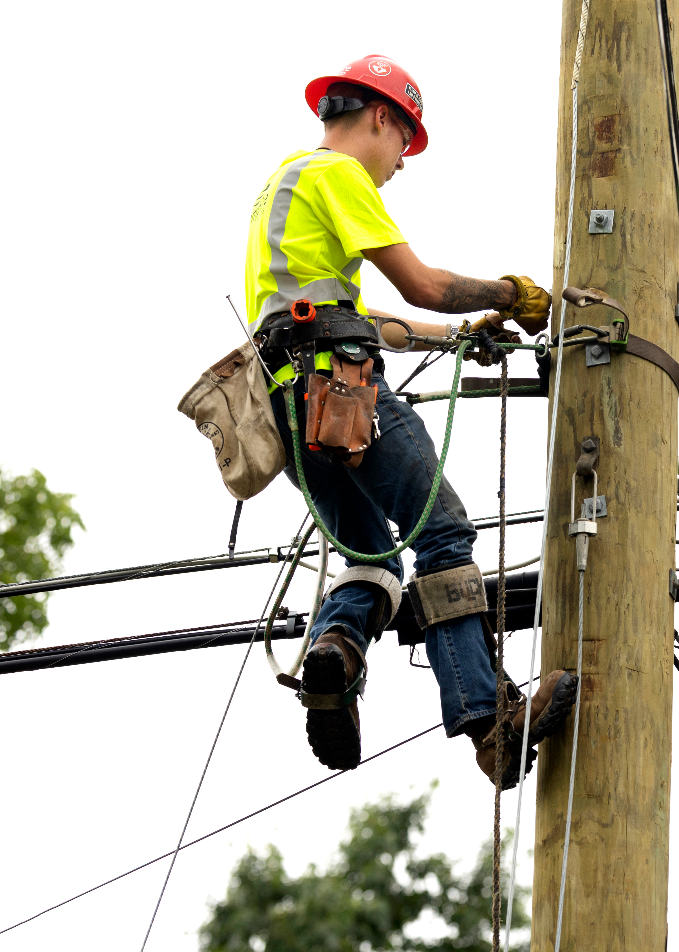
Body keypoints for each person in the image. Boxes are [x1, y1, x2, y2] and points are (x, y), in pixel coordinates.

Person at [244, 54, 575, 785]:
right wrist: (512, 293)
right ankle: (488, 721)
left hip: (287, 408)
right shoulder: (339, 175)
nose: (400, 163)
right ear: (381, 117)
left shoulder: (282, 187)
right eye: (404, 143)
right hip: (342, 390)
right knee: (443, 531)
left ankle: (334, 658)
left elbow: (369, 318)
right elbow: (421, 284)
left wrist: (461, 335)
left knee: (372, 559)